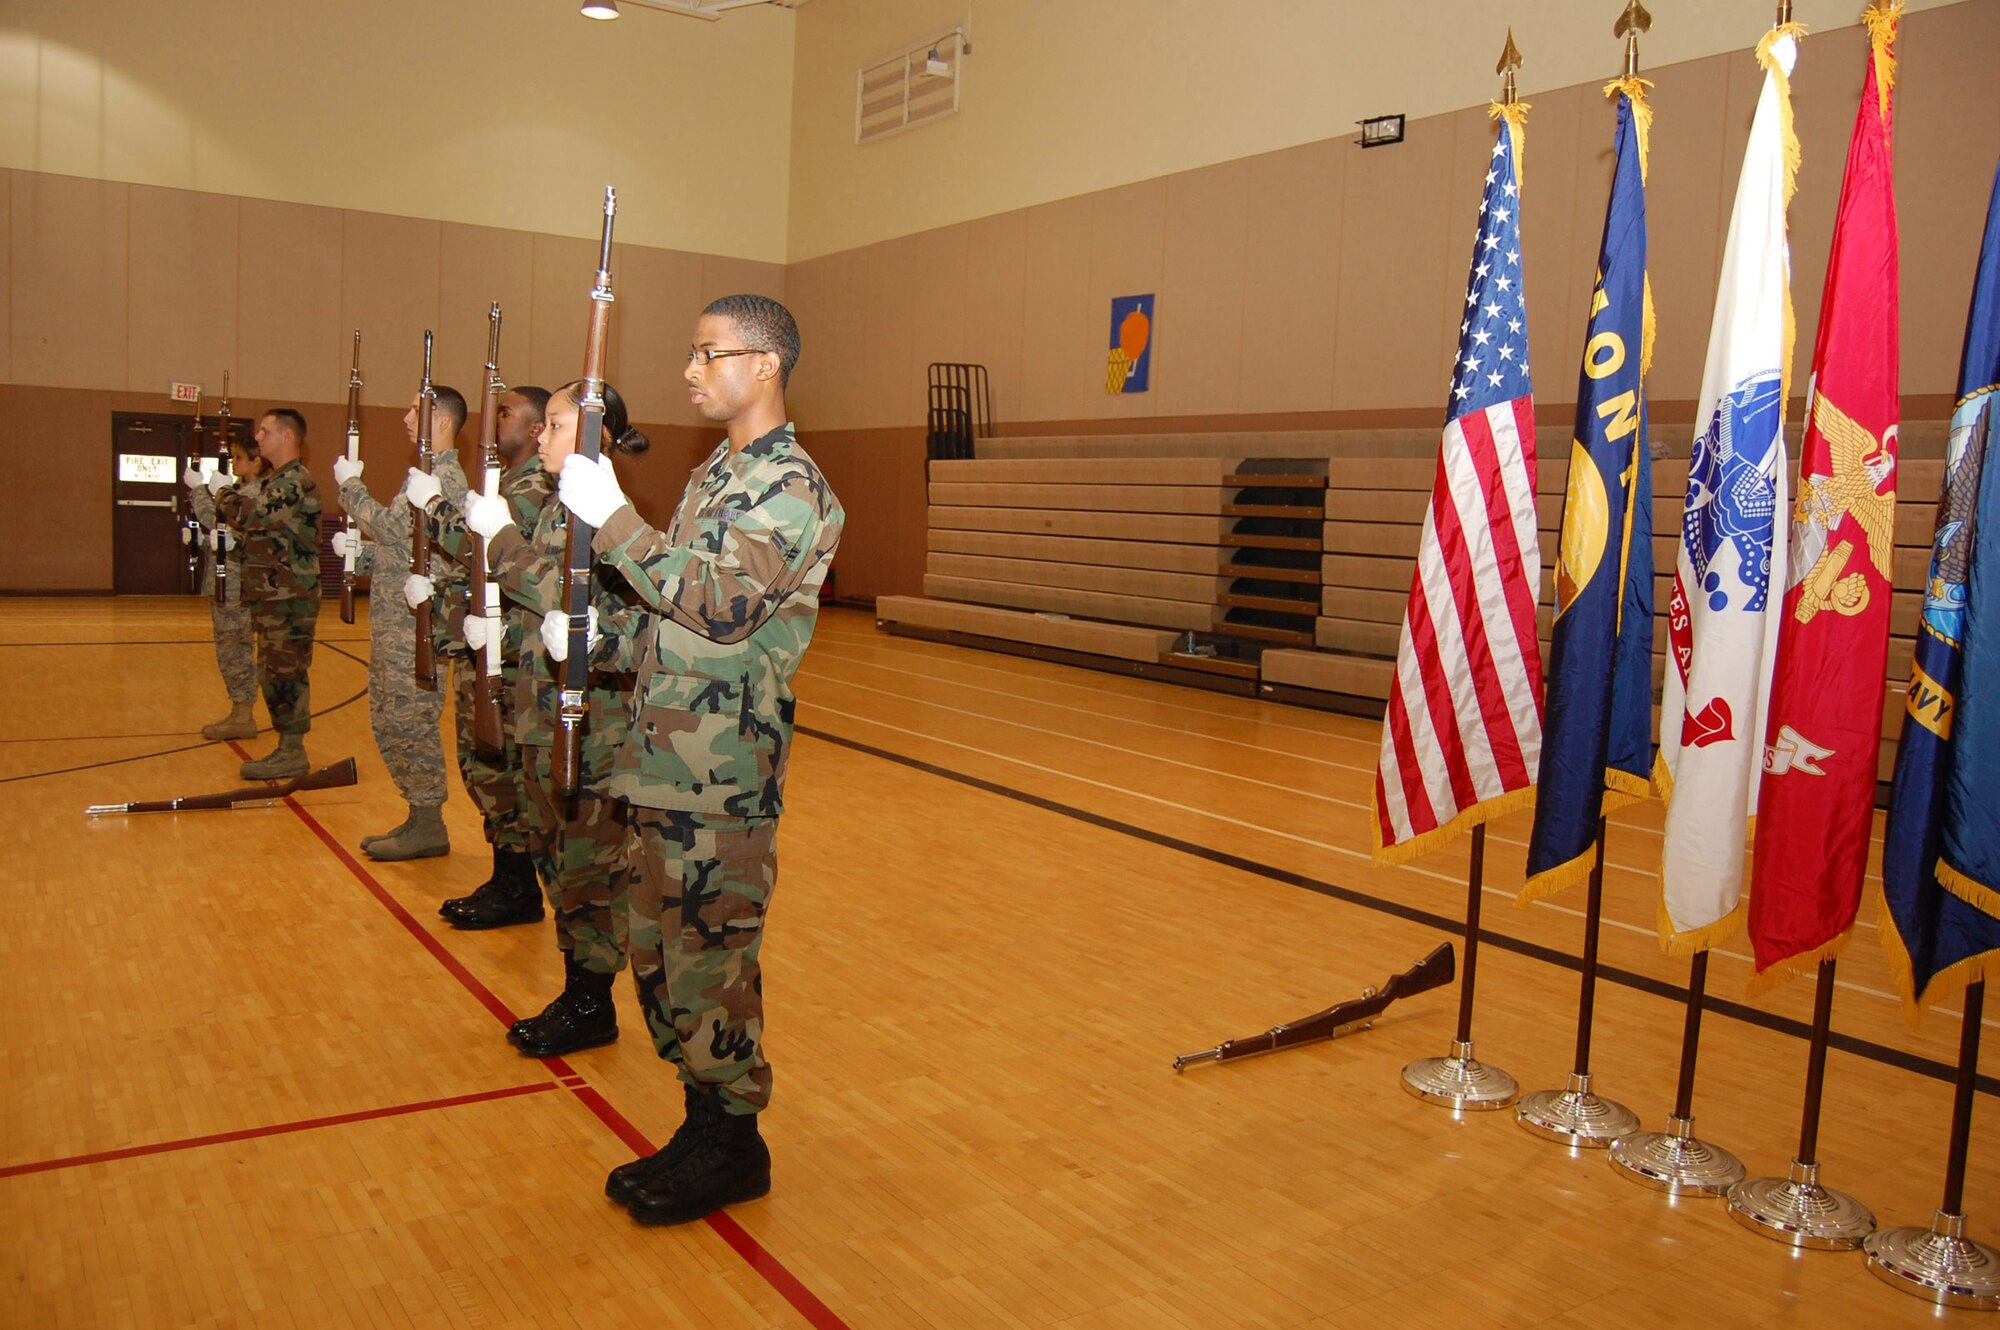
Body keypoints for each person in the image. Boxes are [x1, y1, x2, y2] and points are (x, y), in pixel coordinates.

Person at [553, 294, 843, 1226]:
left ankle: (734, 1144)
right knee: (659, 959)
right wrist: (591, 633)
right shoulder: (717, 474)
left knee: (710, 964)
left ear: (764, 365)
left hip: (723, 778)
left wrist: (615, 522)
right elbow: (667, 606)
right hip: (660, 759)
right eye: (690, 353)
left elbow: (721, 607)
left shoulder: (791, 486)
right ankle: (700, 1123)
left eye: (707, 353)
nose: (689, 369)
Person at [465, 382, 644, 1053]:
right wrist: (489, 636)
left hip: (590, 729)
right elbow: (536, 617)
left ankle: (591, 1003)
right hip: (540, 716)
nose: (541, 434)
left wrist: (502, 542)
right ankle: (579, 990)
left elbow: (562, 599)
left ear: (594, 435)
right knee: (558, 863)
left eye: (557, 425)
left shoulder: (607, 516)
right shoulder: (557, 508)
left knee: (588, 872)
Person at [412, 386, 557, 929]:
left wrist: (433, 506)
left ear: (538, 427)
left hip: (512, 657)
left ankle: (517, 887)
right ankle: (509, 879)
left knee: (501, 774)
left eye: (506, 412)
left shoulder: (534, 486)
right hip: (486, 648)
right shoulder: (507, 482)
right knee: (484, 770)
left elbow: (485, 548)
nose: (494, 420)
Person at [331, 385, 467, 860]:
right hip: (394, 628)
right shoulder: (424, 475)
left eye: (416, 410)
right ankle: (416, 814)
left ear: (443, 421)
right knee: (389, 721)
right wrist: (361, 555)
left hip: (417, 631)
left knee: (413, 724)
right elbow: (404, 547)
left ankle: (430, 823)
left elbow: (390, 528)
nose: (406, 418)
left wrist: (350, 488)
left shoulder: (443, 481)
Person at [214, 408, 321, 780]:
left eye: (264, 431)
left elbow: (254, 516)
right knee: (273, 672)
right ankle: (287, 746)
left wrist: (220, 493)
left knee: (285, 674)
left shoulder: (293, 481)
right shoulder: (278, 479)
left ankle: (292, 751)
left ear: (287, 436)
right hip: (273, 595)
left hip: (289, 596)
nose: (258, 438)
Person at [184, 436, 269, 740]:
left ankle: (243, 715)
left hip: (237, 585)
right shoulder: (240, 490)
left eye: (240, 458)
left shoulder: (255, 492)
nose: (235, 463)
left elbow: (217, 517)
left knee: (235, 648)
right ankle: (239, 709)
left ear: (256, 461)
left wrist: (198, 490)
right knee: (228, 648)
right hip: (228, 581)